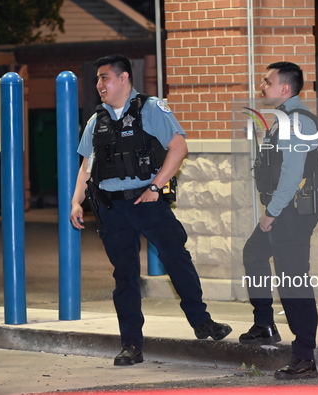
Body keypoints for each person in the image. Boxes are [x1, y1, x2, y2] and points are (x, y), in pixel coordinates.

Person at [70, 54, 232, 366]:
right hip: (112, 208)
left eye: (104, 77)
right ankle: (131, 345)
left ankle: (201, 321)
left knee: (176, 258)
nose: (99, 84)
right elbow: (86, 167)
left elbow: (179, 147)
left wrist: (155, 186)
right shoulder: (96, 120)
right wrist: (76, 201)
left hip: (147, 202)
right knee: (125, 277)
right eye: (97, 79)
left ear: (123, 78)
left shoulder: (151, 109)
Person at [240, 62, 318, 380]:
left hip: (291, 213)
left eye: (267, 81)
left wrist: (271, 213)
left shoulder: (296, 122)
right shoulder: (285, 119)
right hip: (285, 209)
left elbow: (292, 175)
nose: (262, 86)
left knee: (293, 281)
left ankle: (305, 357)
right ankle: (265, 324)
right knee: (254, 254)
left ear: (285, 88)